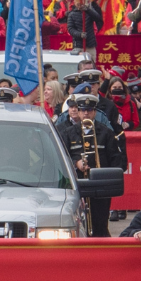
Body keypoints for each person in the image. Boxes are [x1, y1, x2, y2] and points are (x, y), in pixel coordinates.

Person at [54, 93, 122, 236]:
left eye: (90, 110)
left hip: (100, 186)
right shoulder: (68, 133)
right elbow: (61, 159)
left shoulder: (106, 133)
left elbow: (116, 160)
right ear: (77, 112)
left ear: (95, 112)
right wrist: (76, 163)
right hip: (78, 185)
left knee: (100, 223)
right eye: (83, 110)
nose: (86, 113)